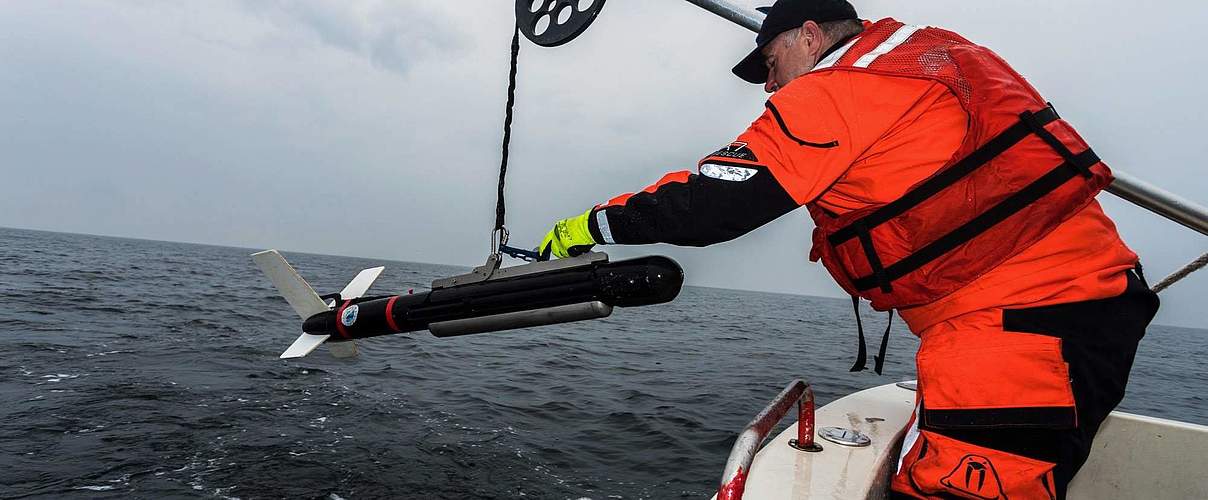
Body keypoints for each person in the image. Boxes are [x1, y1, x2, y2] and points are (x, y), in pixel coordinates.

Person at [534, 0, 1159, 498]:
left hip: (1020, 332)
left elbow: (715, 203)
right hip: (1076, 307)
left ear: (809, 35)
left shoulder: (839, 88)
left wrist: (591, 225)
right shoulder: (929, 56)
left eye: (771, 63)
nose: (769, 84)